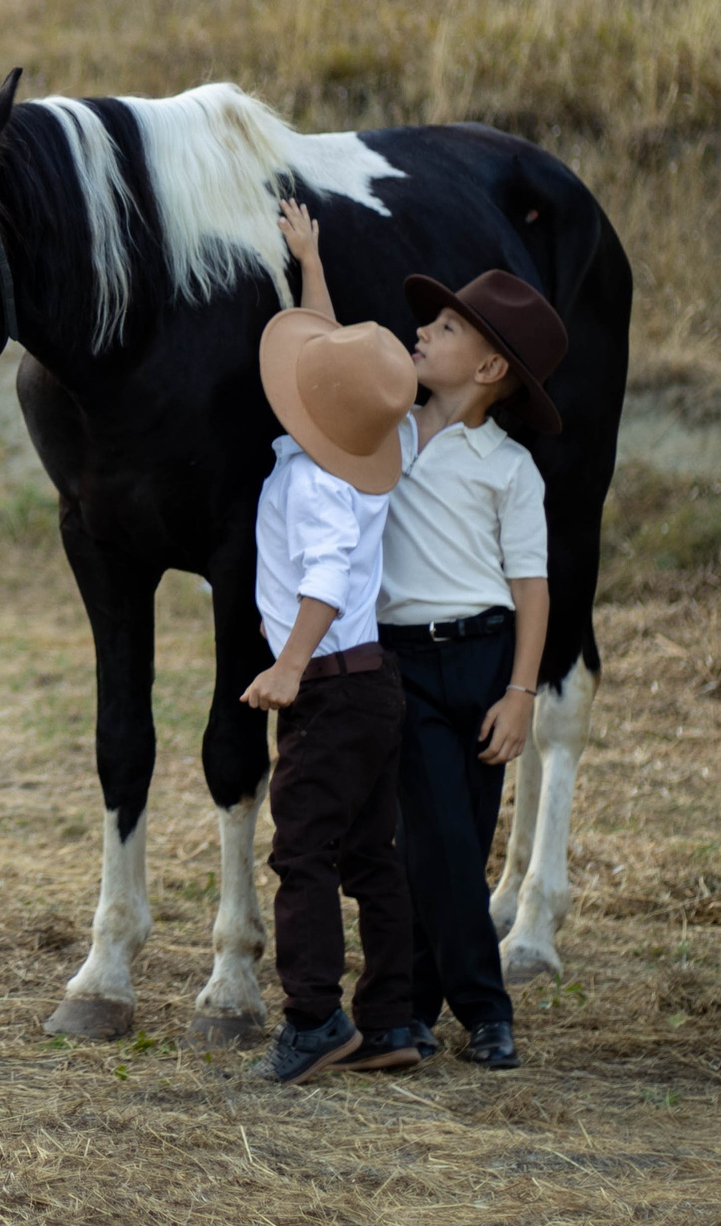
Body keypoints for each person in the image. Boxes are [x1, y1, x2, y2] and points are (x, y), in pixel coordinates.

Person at [289, 212, 567, 1072]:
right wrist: (311, 262)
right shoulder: (390, 428)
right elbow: (326, 359)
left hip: (483, 661)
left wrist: (521, 694)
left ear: (488, 370)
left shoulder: (509, 468)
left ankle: (415, 1005)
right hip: (403, 660)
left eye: (444, 328)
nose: (421, 330)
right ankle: (483, 1009)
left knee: (459, 841)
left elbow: (532, 589)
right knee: (432, 835)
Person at [239, 202, 419, 1083]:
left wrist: (287, 666)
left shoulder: (314, 481)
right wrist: (311, 263)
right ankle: (391, 1019)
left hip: (330, 685)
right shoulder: (369, 455)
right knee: (370, 853)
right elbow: (347, 368)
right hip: (376, 681)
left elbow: (322, 579)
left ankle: (313, 1018)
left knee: (302, 851)